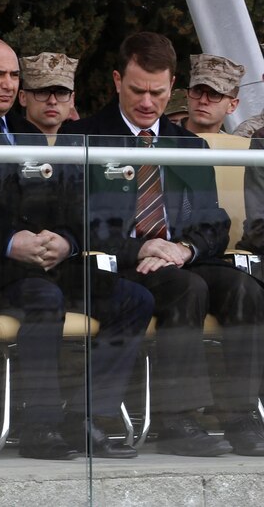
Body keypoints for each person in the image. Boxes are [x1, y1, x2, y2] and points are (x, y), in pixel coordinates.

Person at [0, 36, 152, 460]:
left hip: (44, 265)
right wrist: (7, 242)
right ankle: (40, 426)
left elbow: (70, 206)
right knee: (45, 297)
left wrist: (66, 240)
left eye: (14, 75)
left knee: (133, 299)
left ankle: (86, 417)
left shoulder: (28, 134)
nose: (8, 84)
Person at [62, 32, 264, 457]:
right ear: (117, 80)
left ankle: (240, 415)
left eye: (158, 92)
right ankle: (177, 420)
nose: (148, 102)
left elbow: (214, 223)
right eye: (137, 90)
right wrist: (141, 250)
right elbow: (74, 220)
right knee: (186, 288)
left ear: (172, 87)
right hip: (118, 261)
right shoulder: (82, 136)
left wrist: (184, 250)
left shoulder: (187, 145)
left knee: (244, 287)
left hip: (177, 257)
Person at [18, 52, 78, 140]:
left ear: (72, 99)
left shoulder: (85, 146)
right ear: (23, 97)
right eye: (42, 92)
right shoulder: (6, 142)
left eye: (61, 93)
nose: (52, 101)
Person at [184, 53, 244, 135]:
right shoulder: (163, 136)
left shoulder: (232, 147)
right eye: (197, 91)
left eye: (214, 95)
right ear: (187, 95)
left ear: (232, 105)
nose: (202, 100)